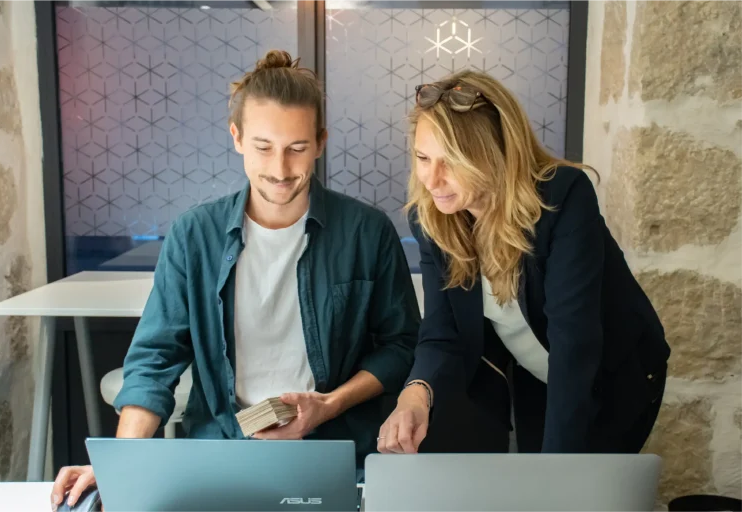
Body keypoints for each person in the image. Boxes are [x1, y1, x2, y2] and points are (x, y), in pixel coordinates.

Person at [51, 50, 420, 510]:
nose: (280, 170)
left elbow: (401, 346)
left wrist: (328, 405)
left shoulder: (367, 231)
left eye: (297, 148)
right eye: (263, 147)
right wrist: (120, 466)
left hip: (337, 455)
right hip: (219, 453)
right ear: (237, 138)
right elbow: (155, 358)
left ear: (321, 142)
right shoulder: (194, 235)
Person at [378, 69, 670, 456]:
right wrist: (415, 395)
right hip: (537, 376)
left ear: (495, 156)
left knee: (577, 491)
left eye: (453, 161)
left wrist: (554, 474)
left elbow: (574, 341)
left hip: (612, 374)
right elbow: (441, 331)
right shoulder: (432, 217)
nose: (432, 180)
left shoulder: (563, 198)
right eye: (422, 157)